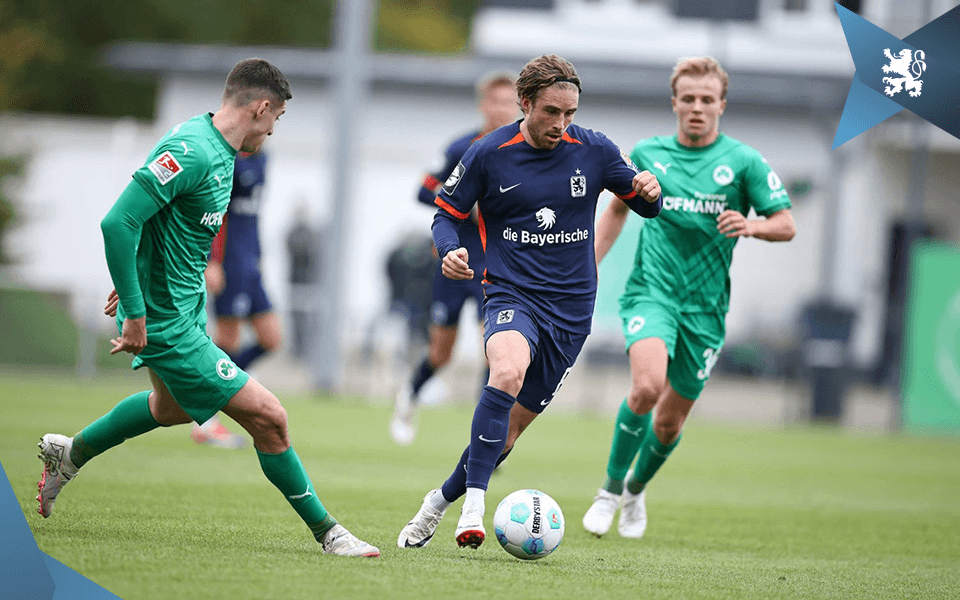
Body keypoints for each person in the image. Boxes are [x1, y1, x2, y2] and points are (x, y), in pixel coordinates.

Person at [35, 58, 379, 557]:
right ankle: (330, 533)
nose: (273, 130)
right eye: (277, 118)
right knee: (270, 417)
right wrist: (135, 308)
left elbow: (158, 223)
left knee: (169, 408)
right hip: (167, 323)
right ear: (261, 107)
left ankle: (71, 453)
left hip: (184, 307)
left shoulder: (219, 149)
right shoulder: (192, 149)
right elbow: (118, 222)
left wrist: (135, 279)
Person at [396, 54, 663, 550]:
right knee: (506, 372)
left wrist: (650, 190)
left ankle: (438, 501)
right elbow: (445, 214)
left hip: (571, 311)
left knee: (506, 438)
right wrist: (449, 249)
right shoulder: (488, 152)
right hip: (510, 293)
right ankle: (474, 505)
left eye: (569, 113)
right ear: (525, 104)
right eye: (551, 112)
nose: (561, 124)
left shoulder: (595, 149)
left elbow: (646, 204)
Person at [581, 56, 796, 539]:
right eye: (689, 99)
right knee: (646, 387)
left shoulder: (743, 162)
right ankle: (609, 491)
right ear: (674, 102)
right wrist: (588, 263)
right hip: (651, 293)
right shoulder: (648, 154)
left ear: (721, 105)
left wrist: (755, 225)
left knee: (669, 425)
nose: (697, 108)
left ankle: (635, 490)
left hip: (706, 308)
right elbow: (617, 206)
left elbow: (786, 223)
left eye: (707, 100)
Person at [390, 72, 518, 446]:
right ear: (483, 105)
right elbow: (423, 189)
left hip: (496, 266)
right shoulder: (461, 147)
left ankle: (486, 435)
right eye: (495, 101)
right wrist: (463, 202)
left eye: (509, 102)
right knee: (441, 353)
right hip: (454, 261)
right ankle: (410, 394)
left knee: (494, 350)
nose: (502, 109)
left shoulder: (523, 150)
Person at [190, 149, 279, 449]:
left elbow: (251, 215)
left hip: (250, 261)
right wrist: (211, 260)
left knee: (271, 338)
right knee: (227, 340)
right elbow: (217, 213)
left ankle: (221, 387)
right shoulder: (227, 159)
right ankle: (204, 420)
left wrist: (259, 254)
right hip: (229, 262)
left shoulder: (263, 157)